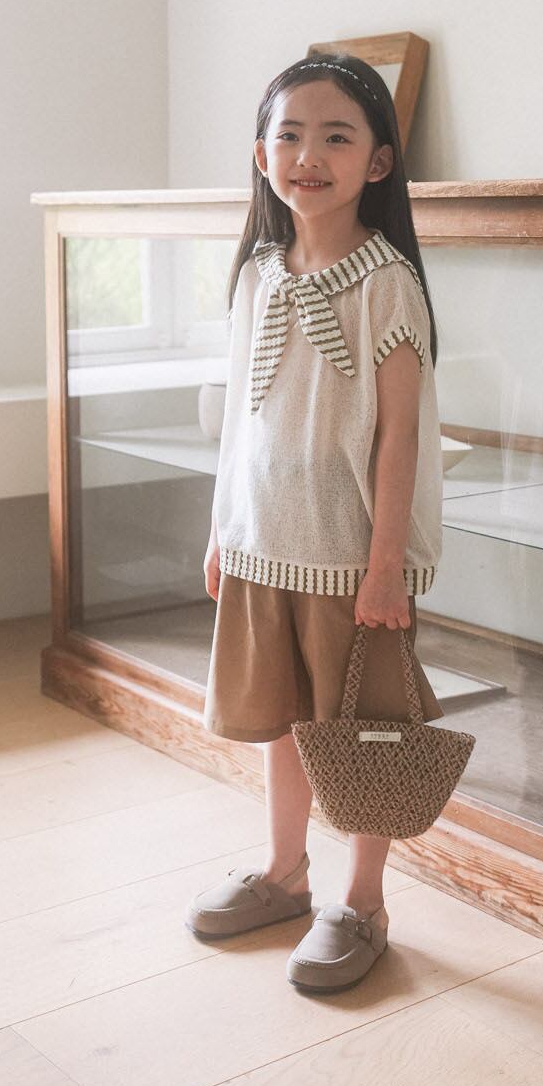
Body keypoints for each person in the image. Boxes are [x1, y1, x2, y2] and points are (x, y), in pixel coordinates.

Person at [184, 52, 445, 994]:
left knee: (365, 735)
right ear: (261, 155)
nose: (309, 155)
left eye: (337, 137)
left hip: (348, 557)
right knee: (287, 723)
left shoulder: (386, 284)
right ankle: (285, 872)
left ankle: (364, 902)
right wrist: (223, 528)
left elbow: (399, 435)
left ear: (377, 162)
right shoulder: (257, 274)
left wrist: (385, 564)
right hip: (265, 543)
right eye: (289, 136)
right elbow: (240, 425)